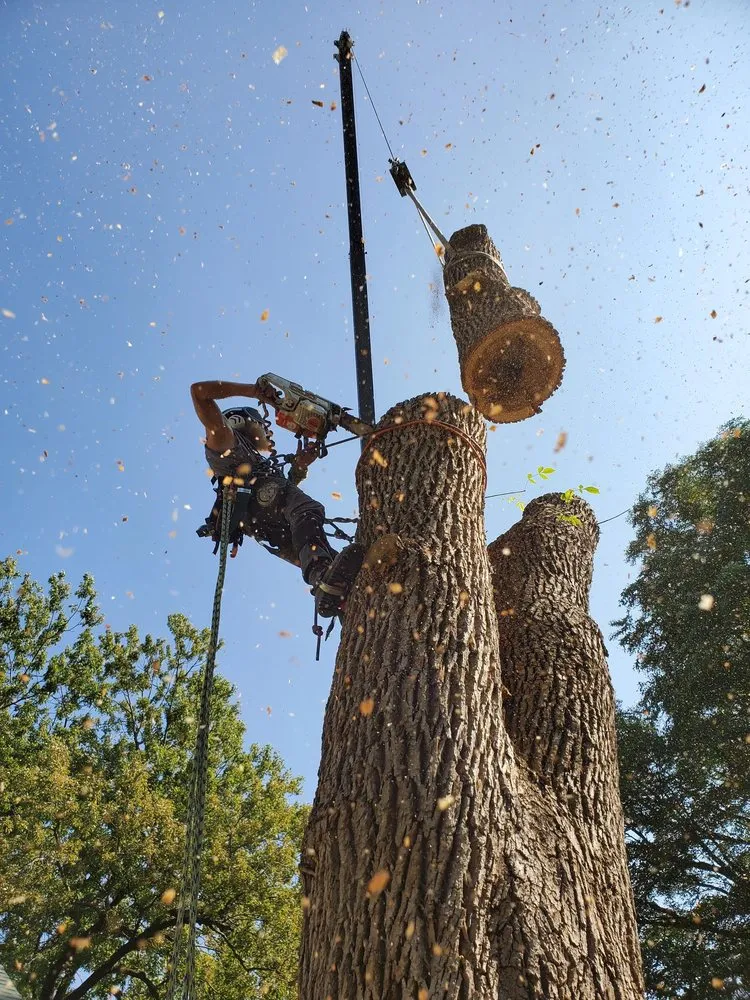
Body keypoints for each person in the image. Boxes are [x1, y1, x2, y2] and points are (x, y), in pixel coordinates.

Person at [191, 379, 364, 618]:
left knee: (329, 563)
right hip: (264, 507)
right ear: (241, 421)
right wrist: (253, 391)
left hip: (268, 525)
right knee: (308, 510)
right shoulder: (226, 440)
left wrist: (299, 467)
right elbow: (199, 392)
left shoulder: (257, 460)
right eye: (264, 425)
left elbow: (279, 492)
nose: (269, 431)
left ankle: (340, 599)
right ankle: (324, 577)